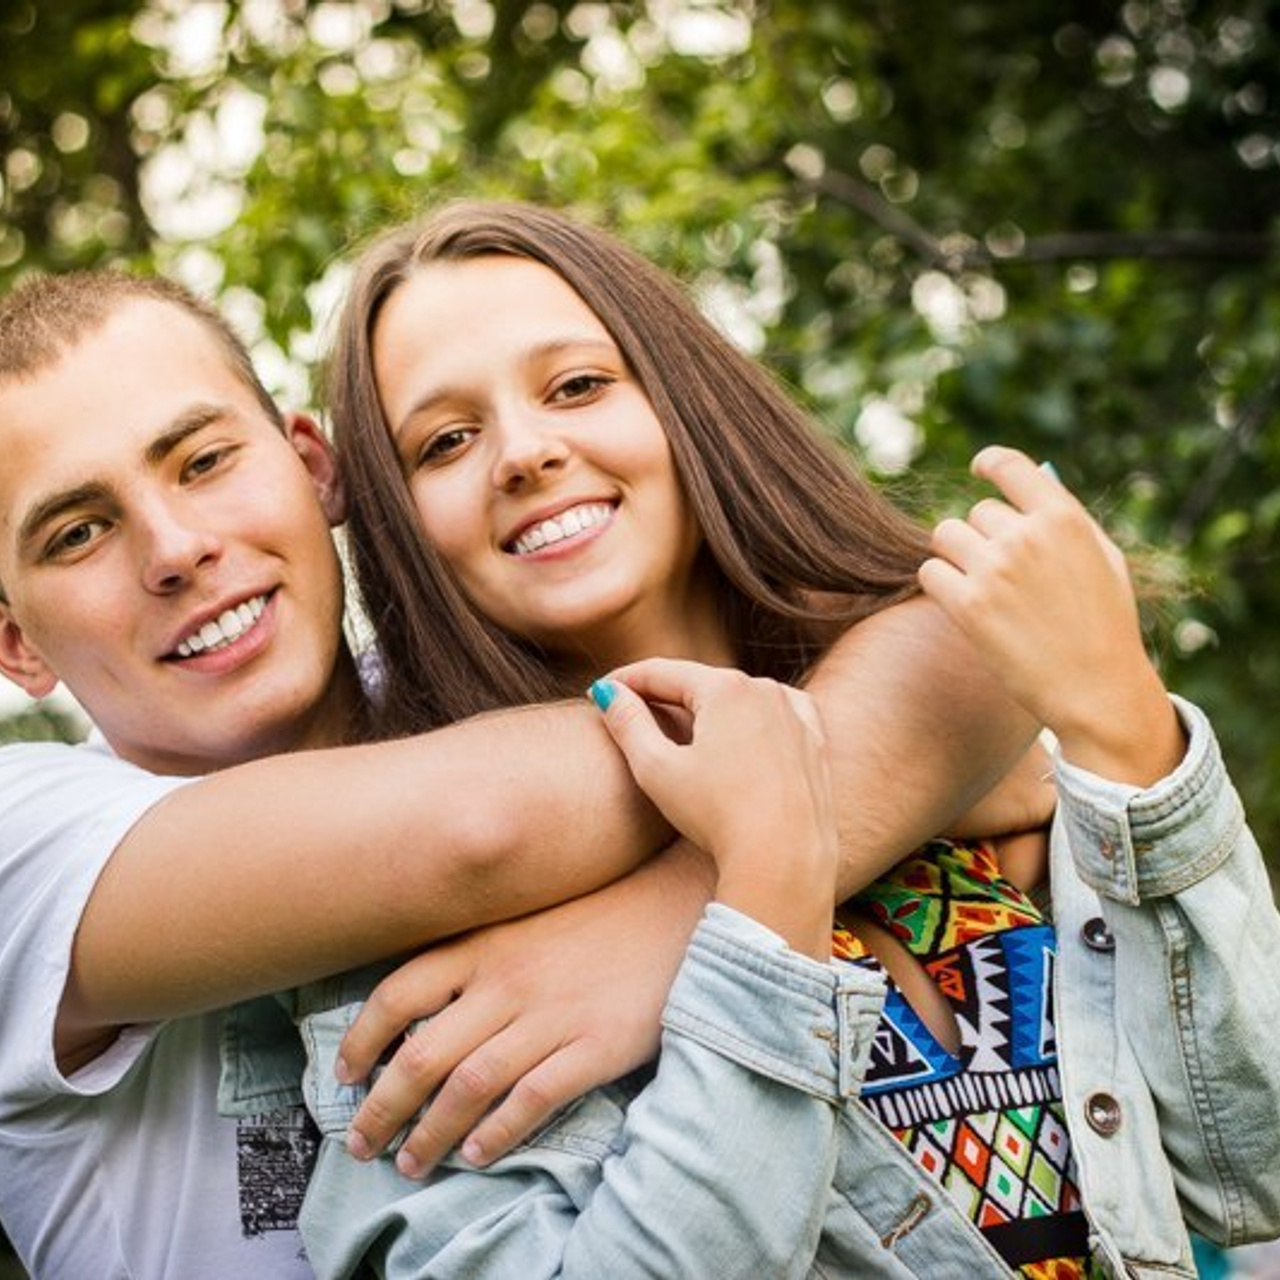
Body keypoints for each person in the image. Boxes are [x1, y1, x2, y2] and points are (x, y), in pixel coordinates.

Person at [286, 200, 1280, 1277]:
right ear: (397, 522)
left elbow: (1251, 1168)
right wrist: (759, 902)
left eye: (576, 386)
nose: (524, 453)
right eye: (444, 442)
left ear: (682, 397)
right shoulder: (427, 959)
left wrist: (1126, 727)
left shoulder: (967, 747)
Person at [0, 271, 1043, 1276]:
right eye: (77, 532)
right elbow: (474, 829)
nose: (175, 547)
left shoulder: (469, 696)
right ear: (15, 643)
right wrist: (878, 771)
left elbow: (965, 641)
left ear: (313, 467)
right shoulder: (28, 833)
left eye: (204, 461)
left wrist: (657, 927)